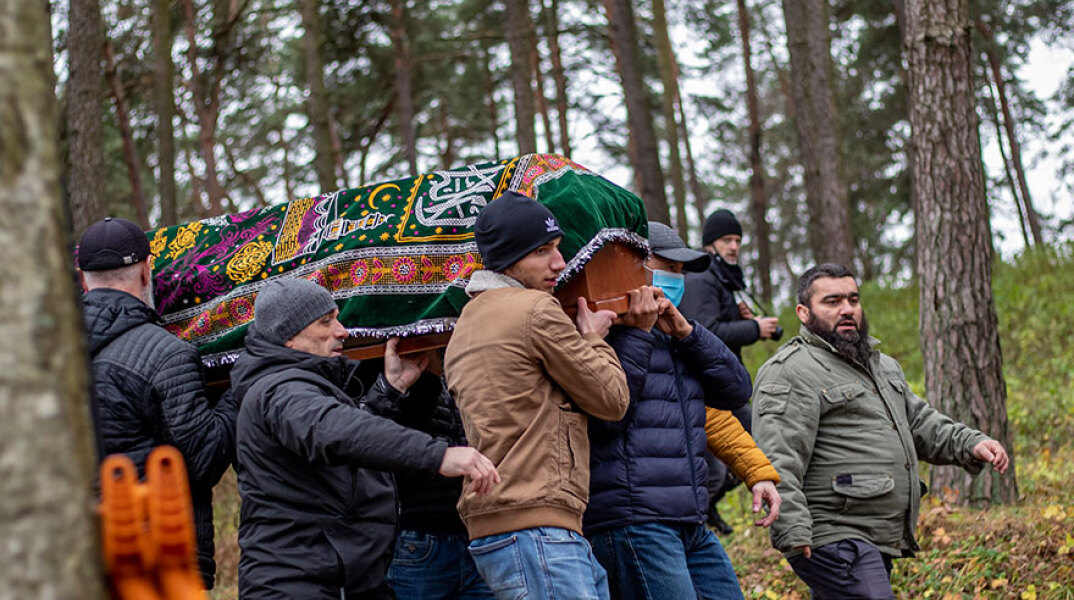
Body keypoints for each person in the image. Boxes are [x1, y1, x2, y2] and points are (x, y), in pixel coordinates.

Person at [751, 263, 1010, 599]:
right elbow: (778, 457)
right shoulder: (791, 371)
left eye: (853, 299)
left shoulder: (880, 364)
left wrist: (971, 443)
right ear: (803, 312)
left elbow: (918, 422)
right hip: (833, 536)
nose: (847, 309)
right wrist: (794, 533)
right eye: (832, 302)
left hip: (874, 537)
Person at [230, 278, 499, 599]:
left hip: (333, 578)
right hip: (298, 585)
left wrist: (390, 390)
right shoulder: (281, 391)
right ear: (290, 336)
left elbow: (347, 447)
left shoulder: (296, 385)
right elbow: (335, 430)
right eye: (326, 322)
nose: (342, 331)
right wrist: (440, 455)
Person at [444, 191, 631, 600]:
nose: (559, 263)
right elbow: (613, 399)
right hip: (537, 528)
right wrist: (593, 339)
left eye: (558, 248)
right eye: (542, 251)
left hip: (502, 525)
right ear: (508, 259)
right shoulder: (534, 309)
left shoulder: (466, 321)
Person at [584, 222, 783, 600]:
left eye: (680, 271)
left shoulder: (677, 336)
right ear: (633, 269)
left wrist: (689, 333)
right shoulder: (600, 335)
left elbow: (734, 393)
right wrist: (640, 334)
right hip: (634, 521)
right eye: (667, 268)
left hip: (689, 518)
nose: (676, 279)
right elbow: (610, 415)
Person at [78, 217, 238, 590]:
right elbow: (204, 461)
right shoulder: (165, 354)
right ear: (148, 272)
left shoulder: (41, 357)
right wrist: (235, 390)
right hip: (154, 560)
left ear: (83, 279)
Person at [354, 356, 495, 600]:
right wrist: (394, 387)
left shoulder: (465, 358)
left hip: (477, 532)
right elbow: (365, 439)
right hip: (417, 532)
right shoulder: (378, 360)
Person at [679, 208, 779, 534]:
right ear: (710, 243)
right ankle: (696, 521)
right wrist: (753, 328)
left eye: (737, 240)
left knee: (752, 448)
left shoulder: (722, 276)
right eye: (726, 240)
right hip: (706, 390)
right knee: (716, 469)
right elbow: (703, 331)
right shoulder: (703, 277)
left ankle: (707, 511)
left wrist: (743, 321)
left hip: (723, 384)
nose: (734, 246)